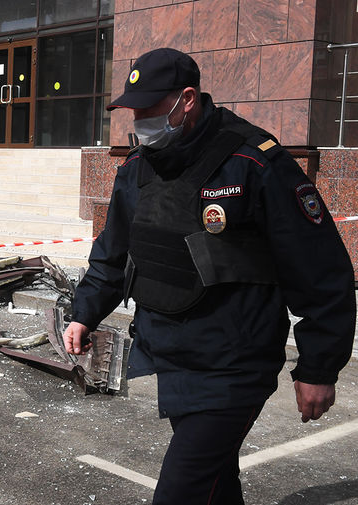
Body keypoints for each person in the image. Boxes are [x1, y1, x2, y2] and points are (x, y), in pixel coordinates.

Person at [63, 47, 356, 505]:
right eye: (133, 109)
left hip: (234, 364)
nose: (139, 120)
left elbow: (320, 269)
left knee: (182, 492)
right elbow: (114, 253)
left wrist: (319, 366)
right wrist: (85, 312)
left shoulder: (255, 162)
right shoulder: (138, 168)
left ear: (187, 100)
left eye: (150, 108)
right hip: (171, 353)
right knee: (214, 483)